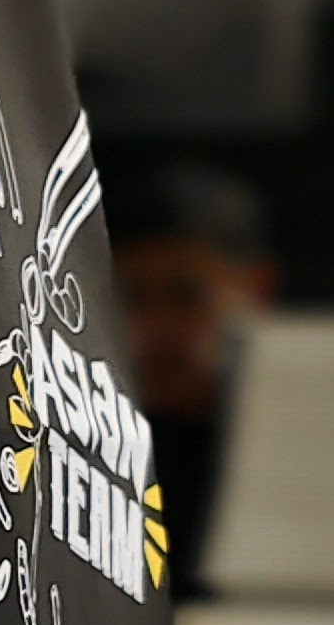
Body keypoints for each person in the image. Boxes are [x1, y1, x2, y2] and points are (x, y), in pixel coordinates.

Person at [104, 158, 275, 597]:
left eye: (186, 295)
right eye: (130, 299)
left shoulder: (303, 442)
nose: (154, 328)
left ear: (256, 290)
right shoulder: (88, 446)